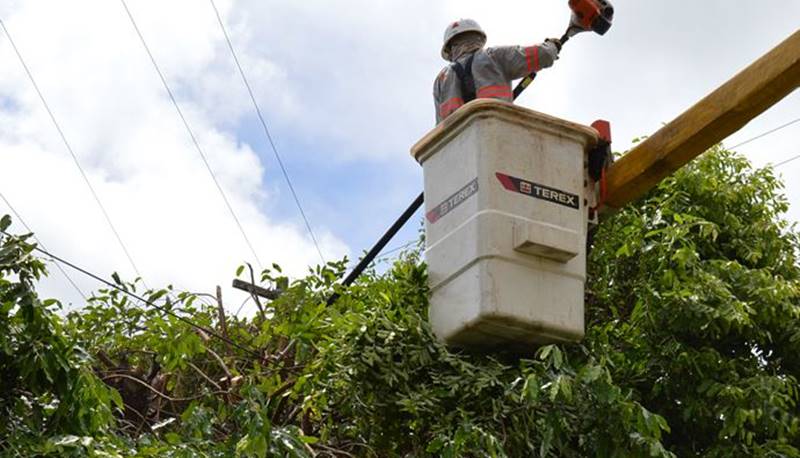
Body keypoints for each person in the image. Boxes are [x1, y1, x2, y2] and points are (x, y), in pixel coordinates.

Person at [434, 19, 561, 124]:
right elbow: (545, 54)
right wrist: (552, 45)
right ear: (478, 38)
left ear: (450, 48)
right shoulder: (493, 57)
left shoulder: (441, 80)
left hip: (460, 145)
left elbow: (439, 130)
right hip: (497, 130)